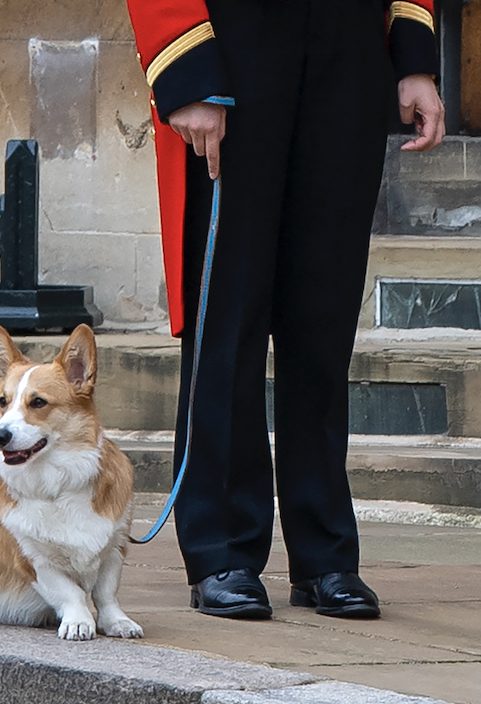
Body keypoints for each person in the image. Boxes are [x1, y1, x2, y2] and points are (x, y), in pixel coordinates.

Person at [127, 0, 445, 620]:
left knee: (322, 321)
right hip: (234, 42)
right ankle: (222, 549)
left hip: (347, 45)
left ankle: (325, 553)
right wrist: (188, 65)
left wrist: (412, 56)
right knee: (228, 315)